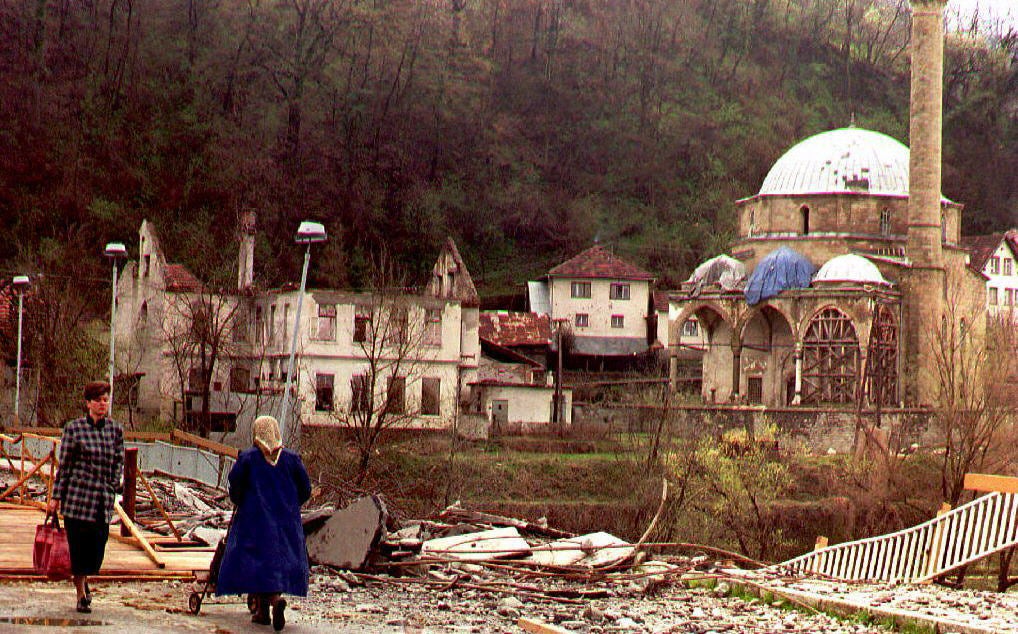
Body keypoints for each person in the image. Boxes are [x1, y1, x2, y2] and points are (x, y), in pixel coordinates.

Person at [216, 415, 311, 631]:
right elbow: (305, 489)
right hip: (286, 522)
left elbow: (235, 486)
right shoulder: (292, 459)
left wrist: (240, 501)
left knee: (254, 562)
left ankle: (272, 604)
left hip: (255, 519)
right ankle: (264, 610)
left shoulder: (248, 458)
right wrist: (291, 506)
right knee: (277, 562)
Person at [47, 381, 125, 614]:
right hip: (78, 499)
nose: (103, 404)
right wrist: (56, 497)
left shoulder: (115, 430)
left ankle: (84, 578)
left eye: (106, 400)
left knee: (96, 550)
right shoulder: (75, 429)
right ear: (88, 403)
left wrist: (112, 485)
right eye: (99, 400)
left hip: (101, 501)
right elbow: (66, 466)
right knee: (78, 549)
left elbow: (118, 462)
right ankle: (81, 593)